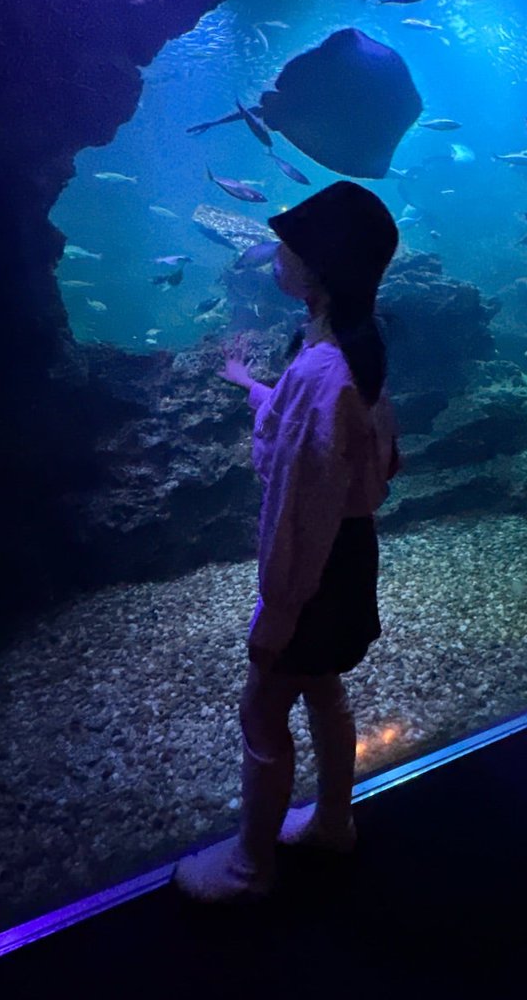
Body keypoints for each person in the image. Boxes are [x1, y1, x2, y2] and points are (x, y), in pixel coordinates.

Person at [173, 180, 401, 903]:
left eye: (287, 245)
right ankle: (333, 822)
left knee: (262, 707)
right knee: (324, 688)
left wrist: (278, 608)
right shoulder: (357, 349)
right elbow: (344, 448)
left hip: (313, 569)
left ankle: (251, 867)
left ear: (320, 267)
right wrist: (252, 384)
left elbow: (299, 507)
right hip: (349, 555)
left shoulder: (320, 369)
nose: (275, 254)